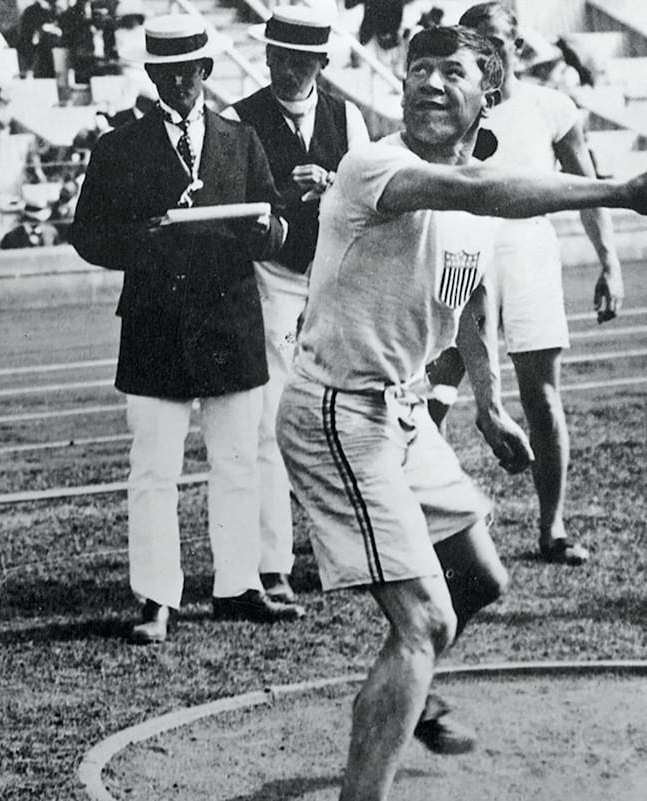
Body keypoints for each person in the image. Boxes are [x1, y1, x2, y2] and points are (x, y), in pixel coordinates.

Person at [275, 25, 647, 801]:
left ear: (489, 97)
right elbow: (481, 194)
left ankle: (402, 696)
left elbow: (469, 296)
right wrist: (619, 191)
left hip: (399, 414)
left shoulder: (471, 201)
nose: (432, 83)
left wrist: (488, 401)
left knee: (478, 577)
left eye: (454, 72)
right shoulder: (376, 164)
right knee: (423, 621)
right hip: (337, 414)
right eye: (421, 70)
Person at [70, 15, 306, 645]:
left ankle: (238, 585)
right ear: (152, 75)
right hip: (155, 323)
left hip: (229, 318)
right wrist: (135, 244)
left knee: (238, 461)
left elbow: (274, 216)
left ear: (207, 72)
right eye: (167, 73)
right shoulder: (119, 148)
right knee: (153, 468)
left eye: (191, 71)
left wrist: (269, 233)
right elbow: (87, 234)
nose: (180, 83)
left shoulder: (241, 138)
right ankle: (156, 596)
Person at [421, 2, 625, 567]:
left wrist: (609, 262)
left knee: (542, 396)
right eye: (476, 45)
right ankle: (440, 523)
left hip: (529, 252)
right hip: (462, 253)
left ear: (517, 45)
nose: (489, 56)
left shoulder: (551, 107)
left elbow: (586, 187)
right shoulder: (455, 110)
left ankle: (552, 526)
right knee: (435, 396)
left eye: (498, 43)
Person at [225, 5, 371, 605]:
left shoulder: (348, 117)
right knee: (270, 424)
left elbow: (368, 199)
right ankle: (271, 561)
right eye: (279, 59)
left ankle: (355, 551)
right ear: (264, 57)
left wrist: (332, 184)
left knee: (349, 415)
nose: (288, 71)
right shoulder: (238, 120)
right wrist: (285, 193)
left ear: (322, 63)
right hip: (273, 281)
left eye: (301, 61)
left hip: (336, 281)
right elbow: (234, 207)